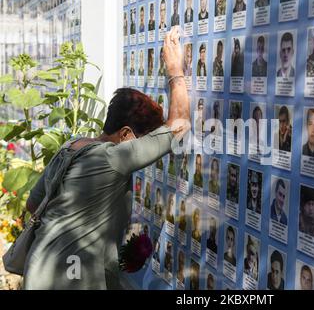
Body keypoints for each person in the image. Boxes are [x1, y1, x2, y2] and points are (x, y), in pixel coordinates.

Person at [23, 27, 190, 289]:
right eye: (143, 139)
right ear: (125, 134)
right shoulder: (112, 158)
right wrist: (175, 72)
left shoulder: (73, 145)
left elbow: (33, 205)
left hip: (38, 272)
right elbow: (178, 126)